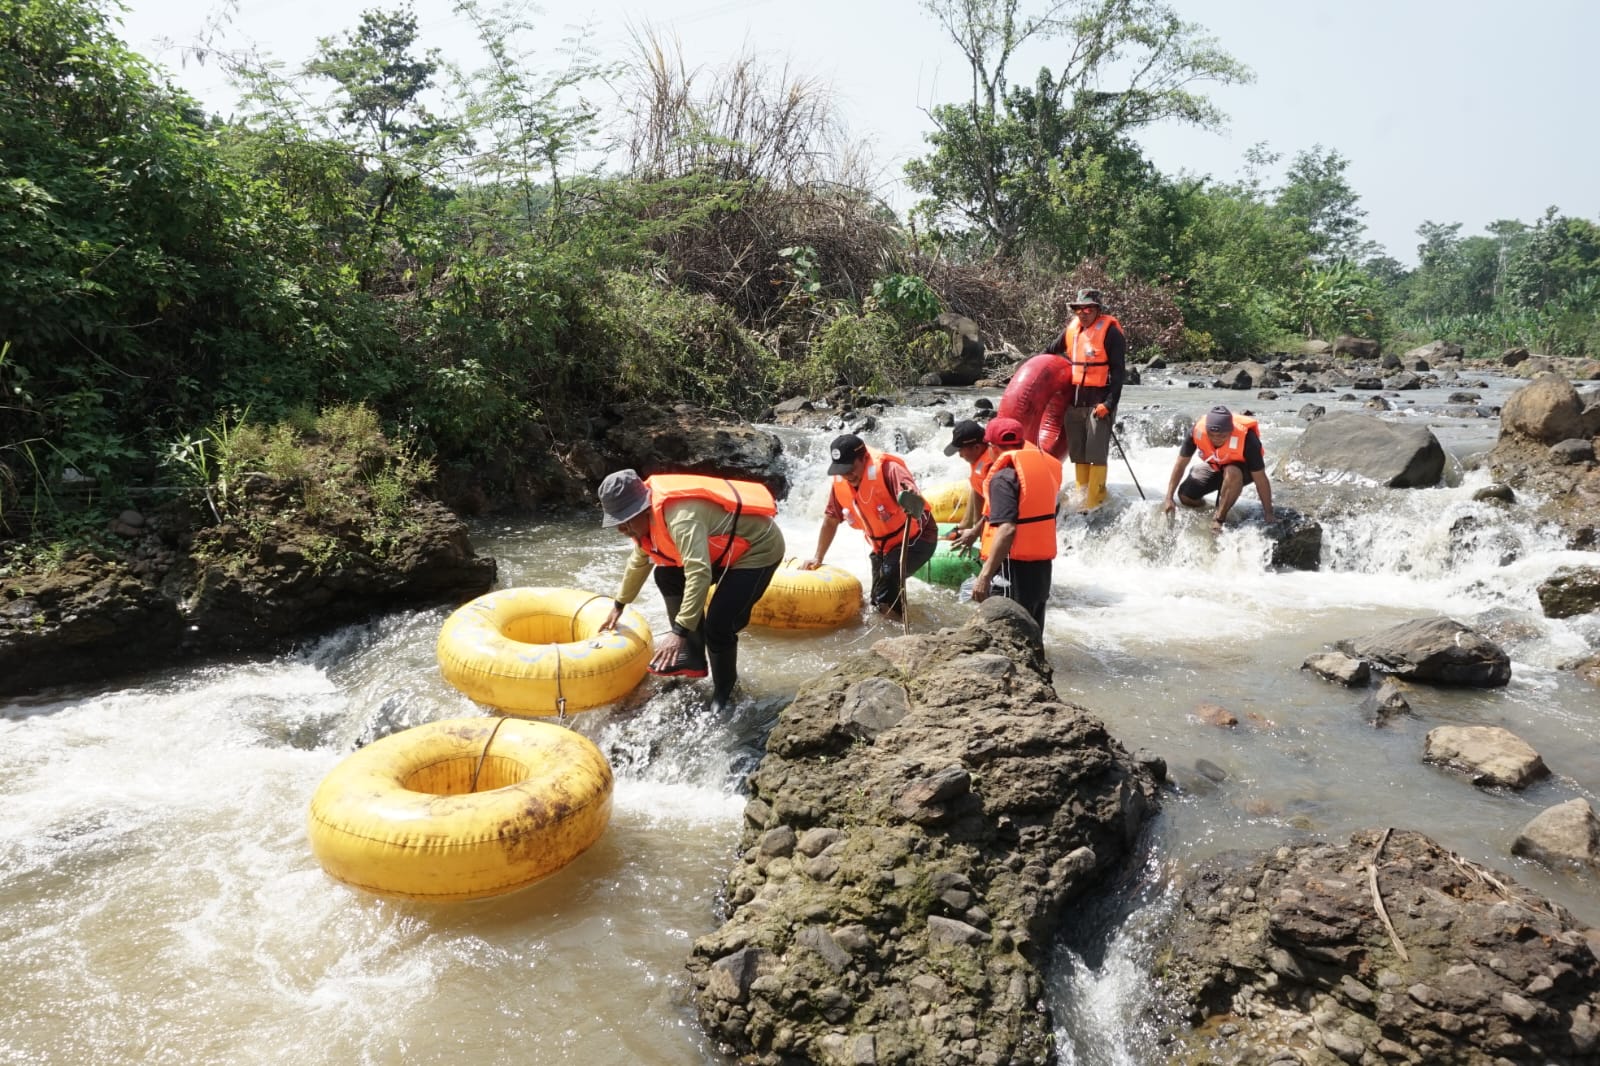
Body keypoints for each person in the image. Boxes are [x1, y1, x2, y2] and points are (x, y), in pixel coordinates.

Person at [597, 469, 784, 713]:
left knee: (719, 625)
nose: (622, 529)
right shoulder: (645, 524)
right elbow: (639, 560)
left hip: (756, 549)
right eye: (617, 523)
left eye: (624, 521)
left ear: (643, 508)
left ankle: (725, 690)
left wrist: (679, 631)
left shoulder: (681, 518)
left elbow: (698, 573)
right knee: (665, 575)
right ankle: (694, 659)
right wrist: (619, 604)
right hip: (721, 551)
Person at [802, 433, 936, 623]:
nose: (847, 475)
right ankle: (905, 623)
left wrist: (910, 498)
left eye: (851, 468)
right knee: (876, 600)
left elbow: (911, 496)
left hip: (917, 538)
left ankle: (901, 639)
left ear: (864, 458)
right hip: (883, 547)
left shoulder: (890, 469)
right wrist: (818, 557)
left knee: (884, 596)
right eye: (842, 470)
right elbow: (831, 519)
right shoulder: (842, 482)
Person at [969, 416, 1063, 630]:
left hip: (1012, 569)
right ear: (1021, 443)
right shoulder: (1043, 471)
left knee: (1006, 636)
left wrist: (984, 576)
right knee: (1033, 636)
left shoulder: (1003, 478)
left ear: (992, 447)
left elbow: (1007, 528)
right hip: (1040, 571)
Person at [1044, 288, 1126, 511]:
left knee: (1096, 454)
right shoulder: (1071, 331)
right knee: (1078, 453)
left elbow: (1119, 372)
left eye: (1088, 308)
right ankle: (1082, 499)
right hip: (1075, 402)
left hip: (1099, 403)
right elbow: (1049, 352)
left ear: (1098, 310)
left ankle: (1095, 500)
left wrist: (1109, 404)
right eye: (1078, 309)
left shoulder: (1111, 334)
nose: (1083, 313)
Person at [1161, 405, 1277, 533]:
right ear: (1206, 430)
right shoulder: (1196, 431)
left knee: (1232, 471)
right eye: (1212, 434)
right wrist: (1169, 498)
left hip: (1242, 471)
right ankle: (1210, 506)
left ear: (1231, 430)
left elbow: (1260, 479)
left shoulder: (1248, 440)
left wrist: (1268, 512)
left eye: (1222, 435)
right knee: (1185, 496)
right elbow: (1180, 464)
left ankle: (1219, 518)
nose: (1216, 439)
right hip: (1217, 465)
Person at [942, 419, 998, 552]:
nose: (959, 455)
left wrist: (975, 531)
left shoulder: (994, 466)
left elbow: (998, 509)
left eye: (960, 450)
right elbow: (977, 489)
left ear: (977, 447)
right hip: (988, 518)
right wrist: (964, 526)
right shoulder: (978, 459)